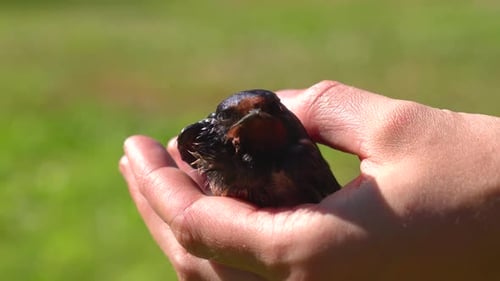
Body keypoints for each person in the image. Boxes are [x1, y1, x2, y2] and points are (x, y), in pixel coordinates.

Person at [119, 80, 500, 281]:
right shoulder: (211, 148)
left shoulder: (297, 157)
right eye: (240, 118)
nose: (255, 119)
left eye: (268, 112)